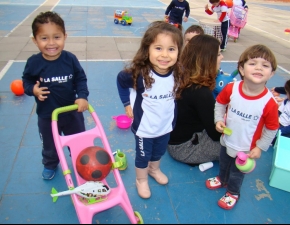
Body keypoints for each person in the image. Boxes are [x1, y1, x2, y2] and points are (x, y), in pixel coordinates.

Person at [205, 44, 279, 210]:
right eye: (253, 63)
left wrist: (260, 147)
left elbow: (271, 128)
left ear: (271, 73)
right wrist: (218, 120)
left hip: (246, 149)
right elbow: (220, 103)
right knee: (223, 163)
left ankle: (233, 192)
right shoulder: (232, 88)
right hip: (226, 140)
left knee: (237, 174)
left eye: (265, 65)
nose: (259, 67)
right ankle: (222, 179)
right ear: (241, 69)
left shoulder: (269, 103)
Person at [116, 21, 183, 199]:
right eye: (158, 48)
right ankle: (141, 179)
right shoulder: (139, 74)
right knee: (142, 155)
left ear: (178, 52)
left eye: (171, 49)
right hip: (145, 128)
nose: (165, 55)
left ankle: (154, 170)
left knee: (158, 152)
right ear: (148, 49)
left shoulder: (178, 73)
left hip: (165, 126)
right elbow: (121, 81)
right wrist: (126, 104)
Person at [22, 11, 89, 180]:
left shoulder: (70, 59)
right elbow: (27, 82)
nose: (51, 43)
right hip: (47, 115)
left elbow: (80, 78)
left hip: (72, 113)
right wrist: (33, 90)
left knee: (78, 142)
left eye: (56, 37)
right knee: (50, 144)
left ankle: (80, 162)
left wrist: (82, 96)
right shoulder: (33, 63)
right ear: (35, 40)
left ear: (65, 36)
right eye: (44, 38)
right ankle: (50, 164)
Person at [167, 34, 223, 166]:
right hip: (184, 148)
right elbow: (215, 134)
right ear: (208, 60)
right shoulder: (201, 92)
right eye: (219, 54)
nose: (222, 57)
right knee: (236, 146)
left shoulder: (181, 78)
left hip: (173, 137)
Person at [271, 80, 290, 145]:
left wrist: (279, 131)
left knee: (280, 141)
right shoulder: (286, 101)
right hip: (279, 123)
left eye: (287, 93)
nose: (286, 95)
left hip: (286, 128)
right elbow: (279, 112)